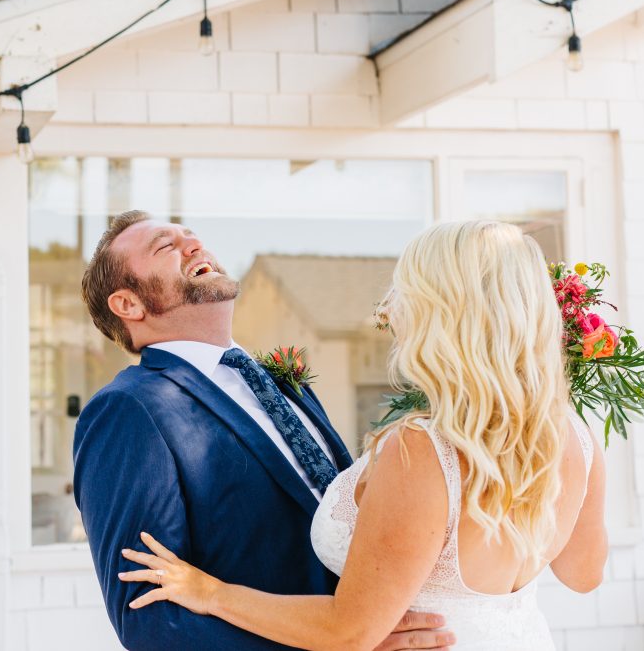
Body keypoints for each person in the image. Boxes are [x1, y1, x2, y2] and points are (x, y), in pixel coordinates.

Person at [117, 220, 609, 650]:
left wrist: (208, 592)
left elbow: (349, 632)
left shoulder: (423, 450)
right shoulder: (574, 438)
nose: (392, 306)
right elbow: (583, 574)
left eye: (404, 288)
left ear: (438, 310)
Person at [73, 210, 453, 651]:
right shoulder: (129, 409)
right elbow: (150, 622)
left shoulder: (278, 383)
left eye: (191, 237)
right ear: (128, 305)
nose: (194, 246)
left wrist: (363, 621)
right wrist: (339, 642)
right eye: (165, 246)